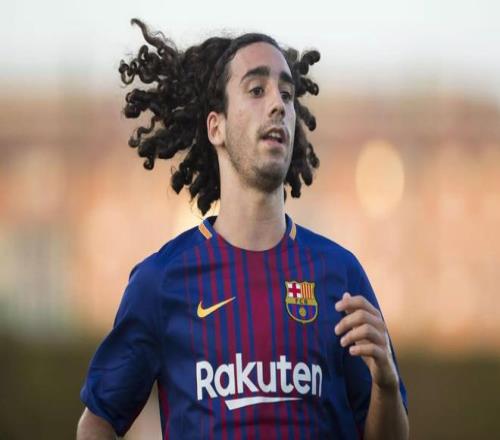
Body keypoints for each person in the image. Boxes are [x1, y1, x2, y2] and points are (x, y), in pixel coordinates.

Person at [77, 18, 409, 440]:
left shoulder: (340, 275)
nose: (278, 105)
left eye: (286, 94)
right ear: (215, 127)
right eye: (256, 90)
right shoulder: (161, 282)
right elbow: (98, 421)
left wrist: (385, 384)